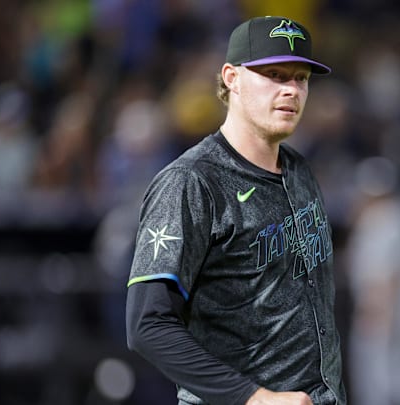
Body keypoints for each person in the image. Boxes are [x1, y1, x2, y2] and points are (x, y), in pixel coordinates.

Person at [125, 16, 346, 405]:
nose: (291, 90)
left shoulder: (299, 170)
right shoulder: (191, 182)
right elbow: (147, 324)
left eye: (300, 78)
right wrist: (253, 397)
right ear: (232, 78)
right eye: (274, 74)